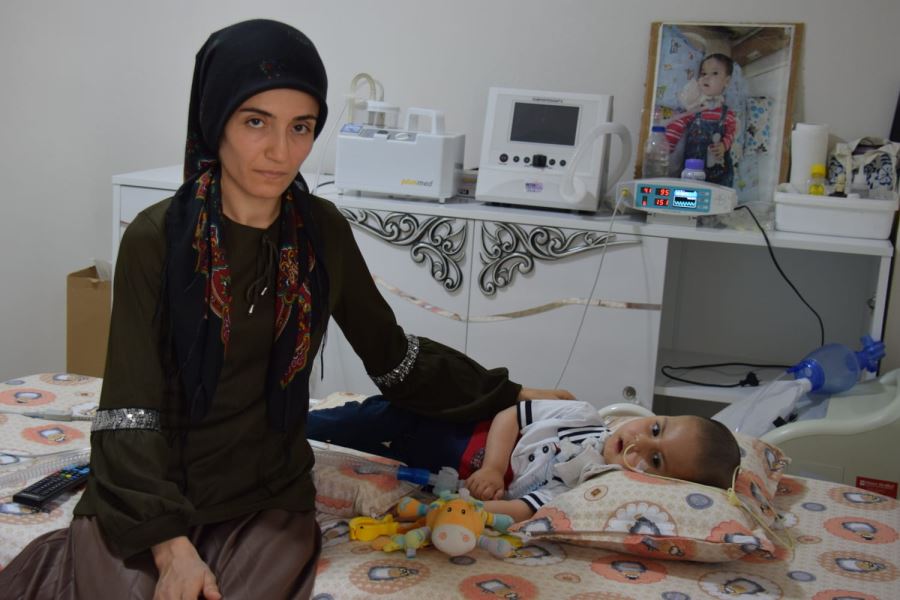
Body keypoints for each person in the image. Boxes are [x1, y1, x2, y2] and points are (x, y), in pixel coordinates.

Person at [0, 19, 569, 600]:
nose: (281, 151)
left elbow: (394, 358)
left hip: (265, 493)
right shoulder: (157, 239)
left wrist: (507, 393)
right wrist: (171, 548)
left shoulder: (321, 233)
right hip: (151, 486)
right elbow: (129, 411)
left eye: (301, 127)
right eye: (256, 122)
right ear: (215, 121)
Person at [307, 396, 742, 523]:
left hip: (445, 473)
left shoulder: (589, 490)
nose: (639, 443)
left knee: (374, 450)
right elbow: (509, 416)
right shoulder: (583, 417)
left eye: (657, 461)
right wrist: (494, 468)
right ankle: (292, 421)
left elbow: (524, 510)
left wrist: (454, 512)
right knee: (371, 417)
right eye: (655, 429)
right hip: (458, 429)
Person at [664, 53, 738, 186]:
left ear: (726, 81)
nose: (706, 77)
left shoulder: (728, 114)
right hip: (692, 172)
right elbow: (678, 124)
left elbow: (731, 133)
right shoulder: (695, 109)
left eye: (714, 73)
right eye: (703, 74)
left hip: (719, 173)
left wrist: (724, 145)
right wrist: (666, 147)